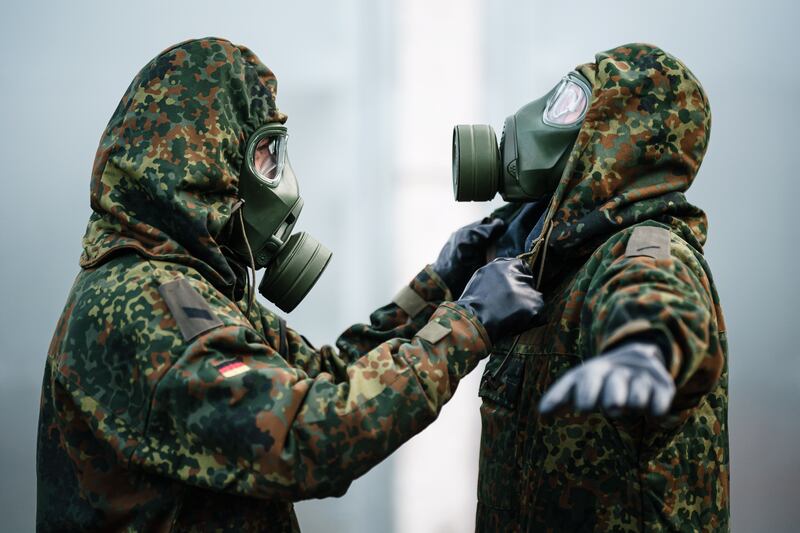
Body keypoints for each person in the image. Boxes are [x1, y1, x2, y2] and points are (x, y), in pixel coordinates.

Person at [36, 37, 544, 531]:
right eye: (266, 156)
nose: (281, 180)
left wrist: (440, 284)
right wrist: (466, 326)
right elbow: (308, 436)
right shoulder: (148, 305)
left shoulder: (192, 283)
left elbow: (334, 371)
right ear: (205, 159)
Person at [451, 43, 728, 531]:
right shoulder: (554, 260)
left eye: (572, 105)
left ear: (618, 137)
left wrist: (642, 353)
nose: (544, 118)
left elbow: (655, 295)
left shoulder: (645, 245)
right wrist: (443, 277)